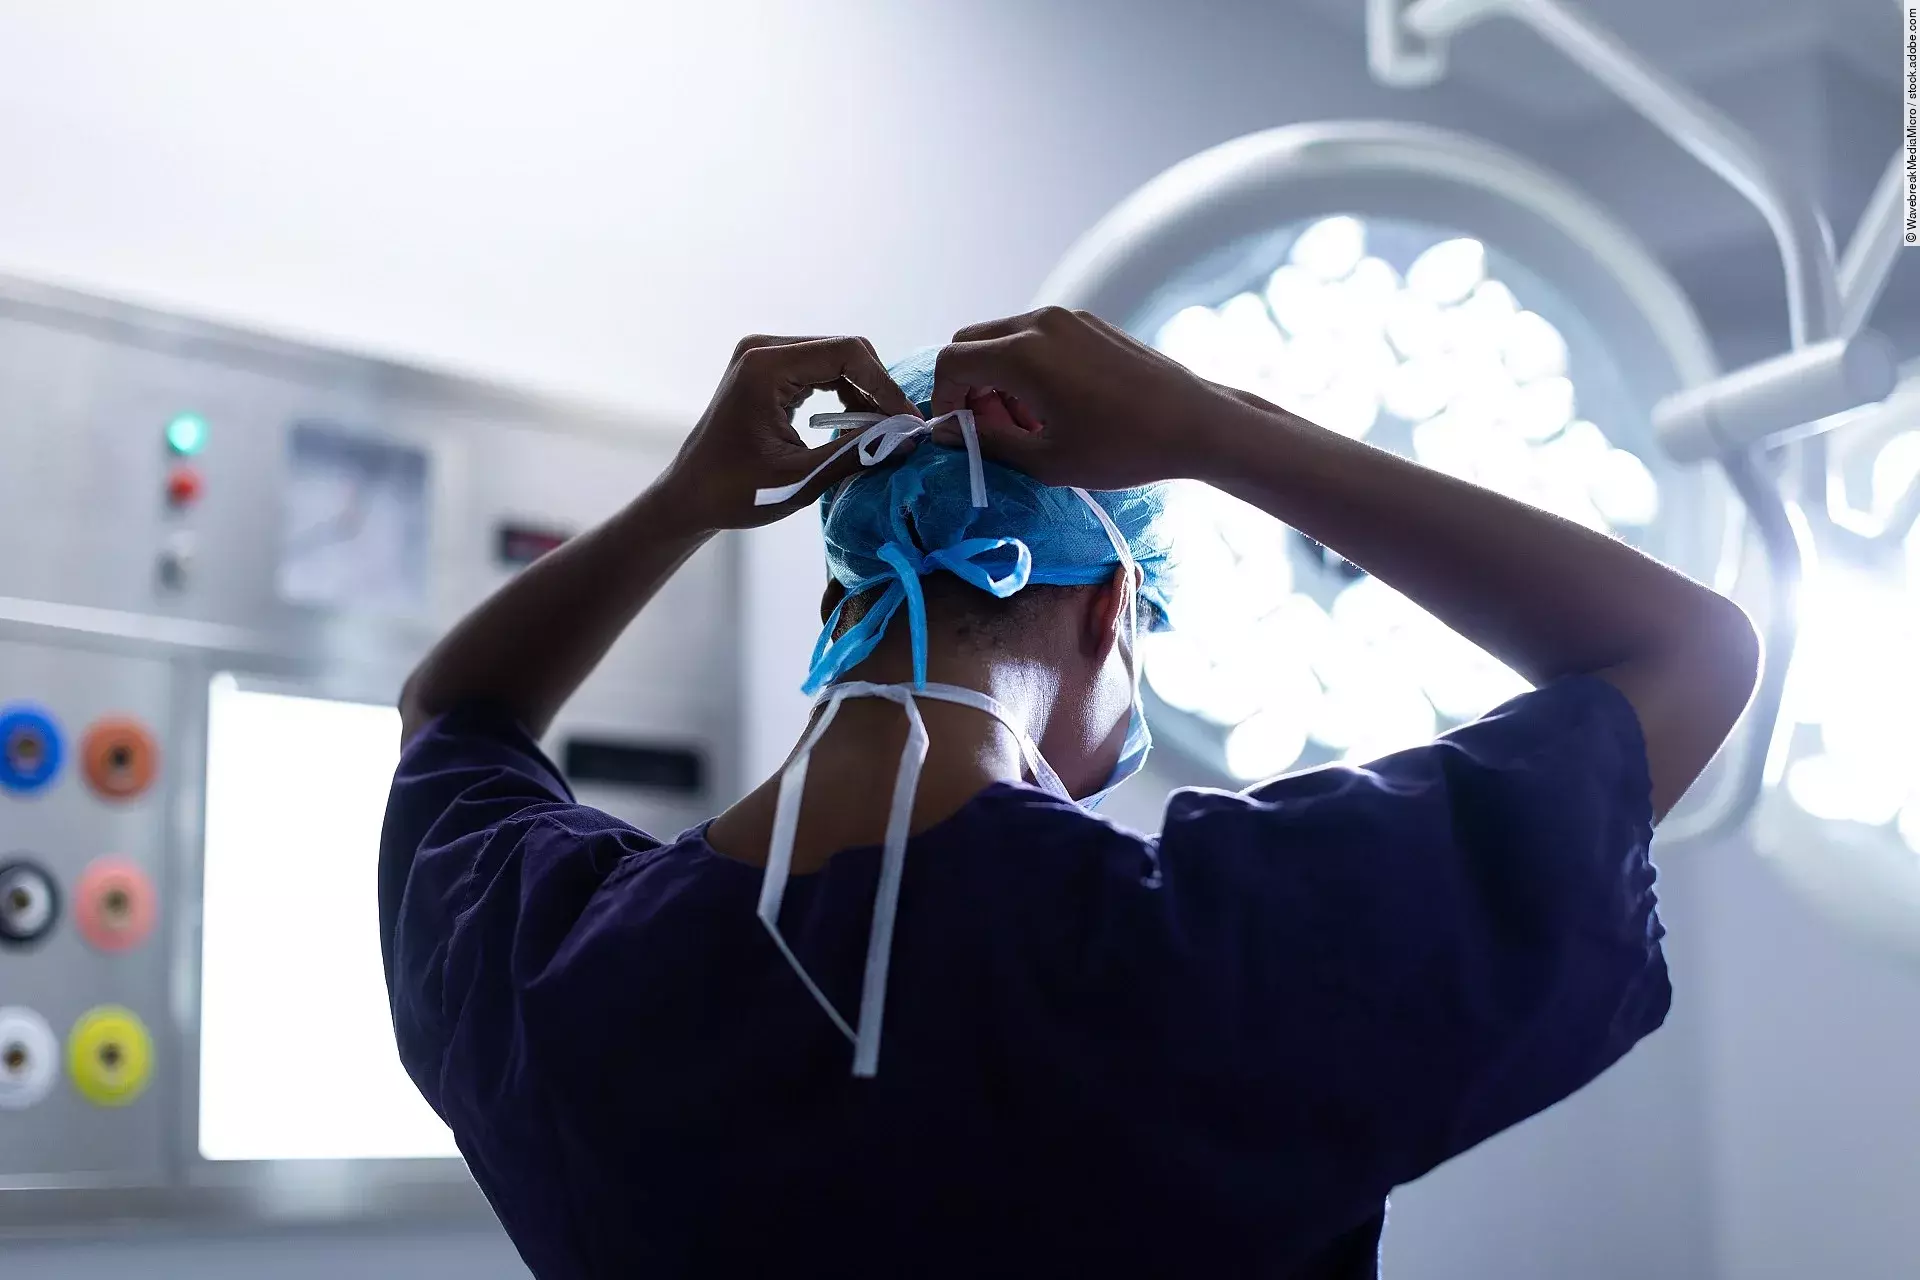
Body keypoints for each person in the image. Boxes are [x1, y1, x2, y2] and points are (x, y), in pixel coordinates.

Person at [379, 310, 1759, 1279]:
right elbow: (1691, 652)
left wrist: (682, 500)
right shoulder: (1232, 945)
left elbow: (454, 712)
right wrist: (1220, 431)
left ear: (834, 603)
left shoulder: (554, 965)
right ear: (1114, 614)